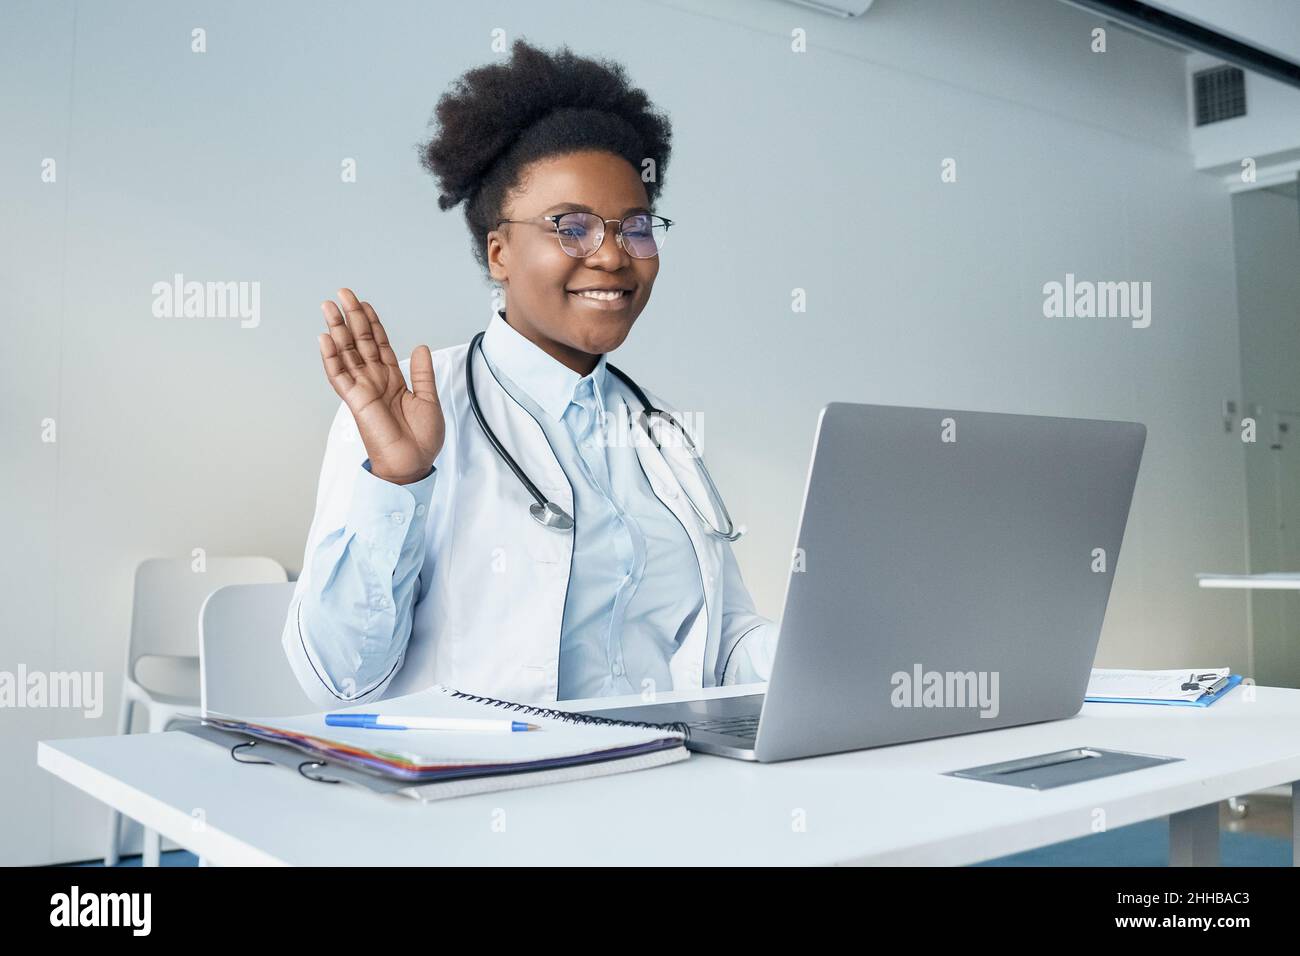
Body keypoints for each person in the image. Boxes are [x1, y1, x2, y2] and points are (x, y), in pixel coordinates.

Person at [282, 38, 777, 708]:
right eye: (570, 227)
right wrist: (399, 480)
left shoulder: (659, 431)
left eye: (635, 227)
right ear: (500, 252)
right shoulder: (408, 410)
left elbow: (723, 645)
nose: (612, 257)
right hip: (478, 788)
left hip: (657, 778)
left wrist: (833, 643)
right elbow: (336, 679)